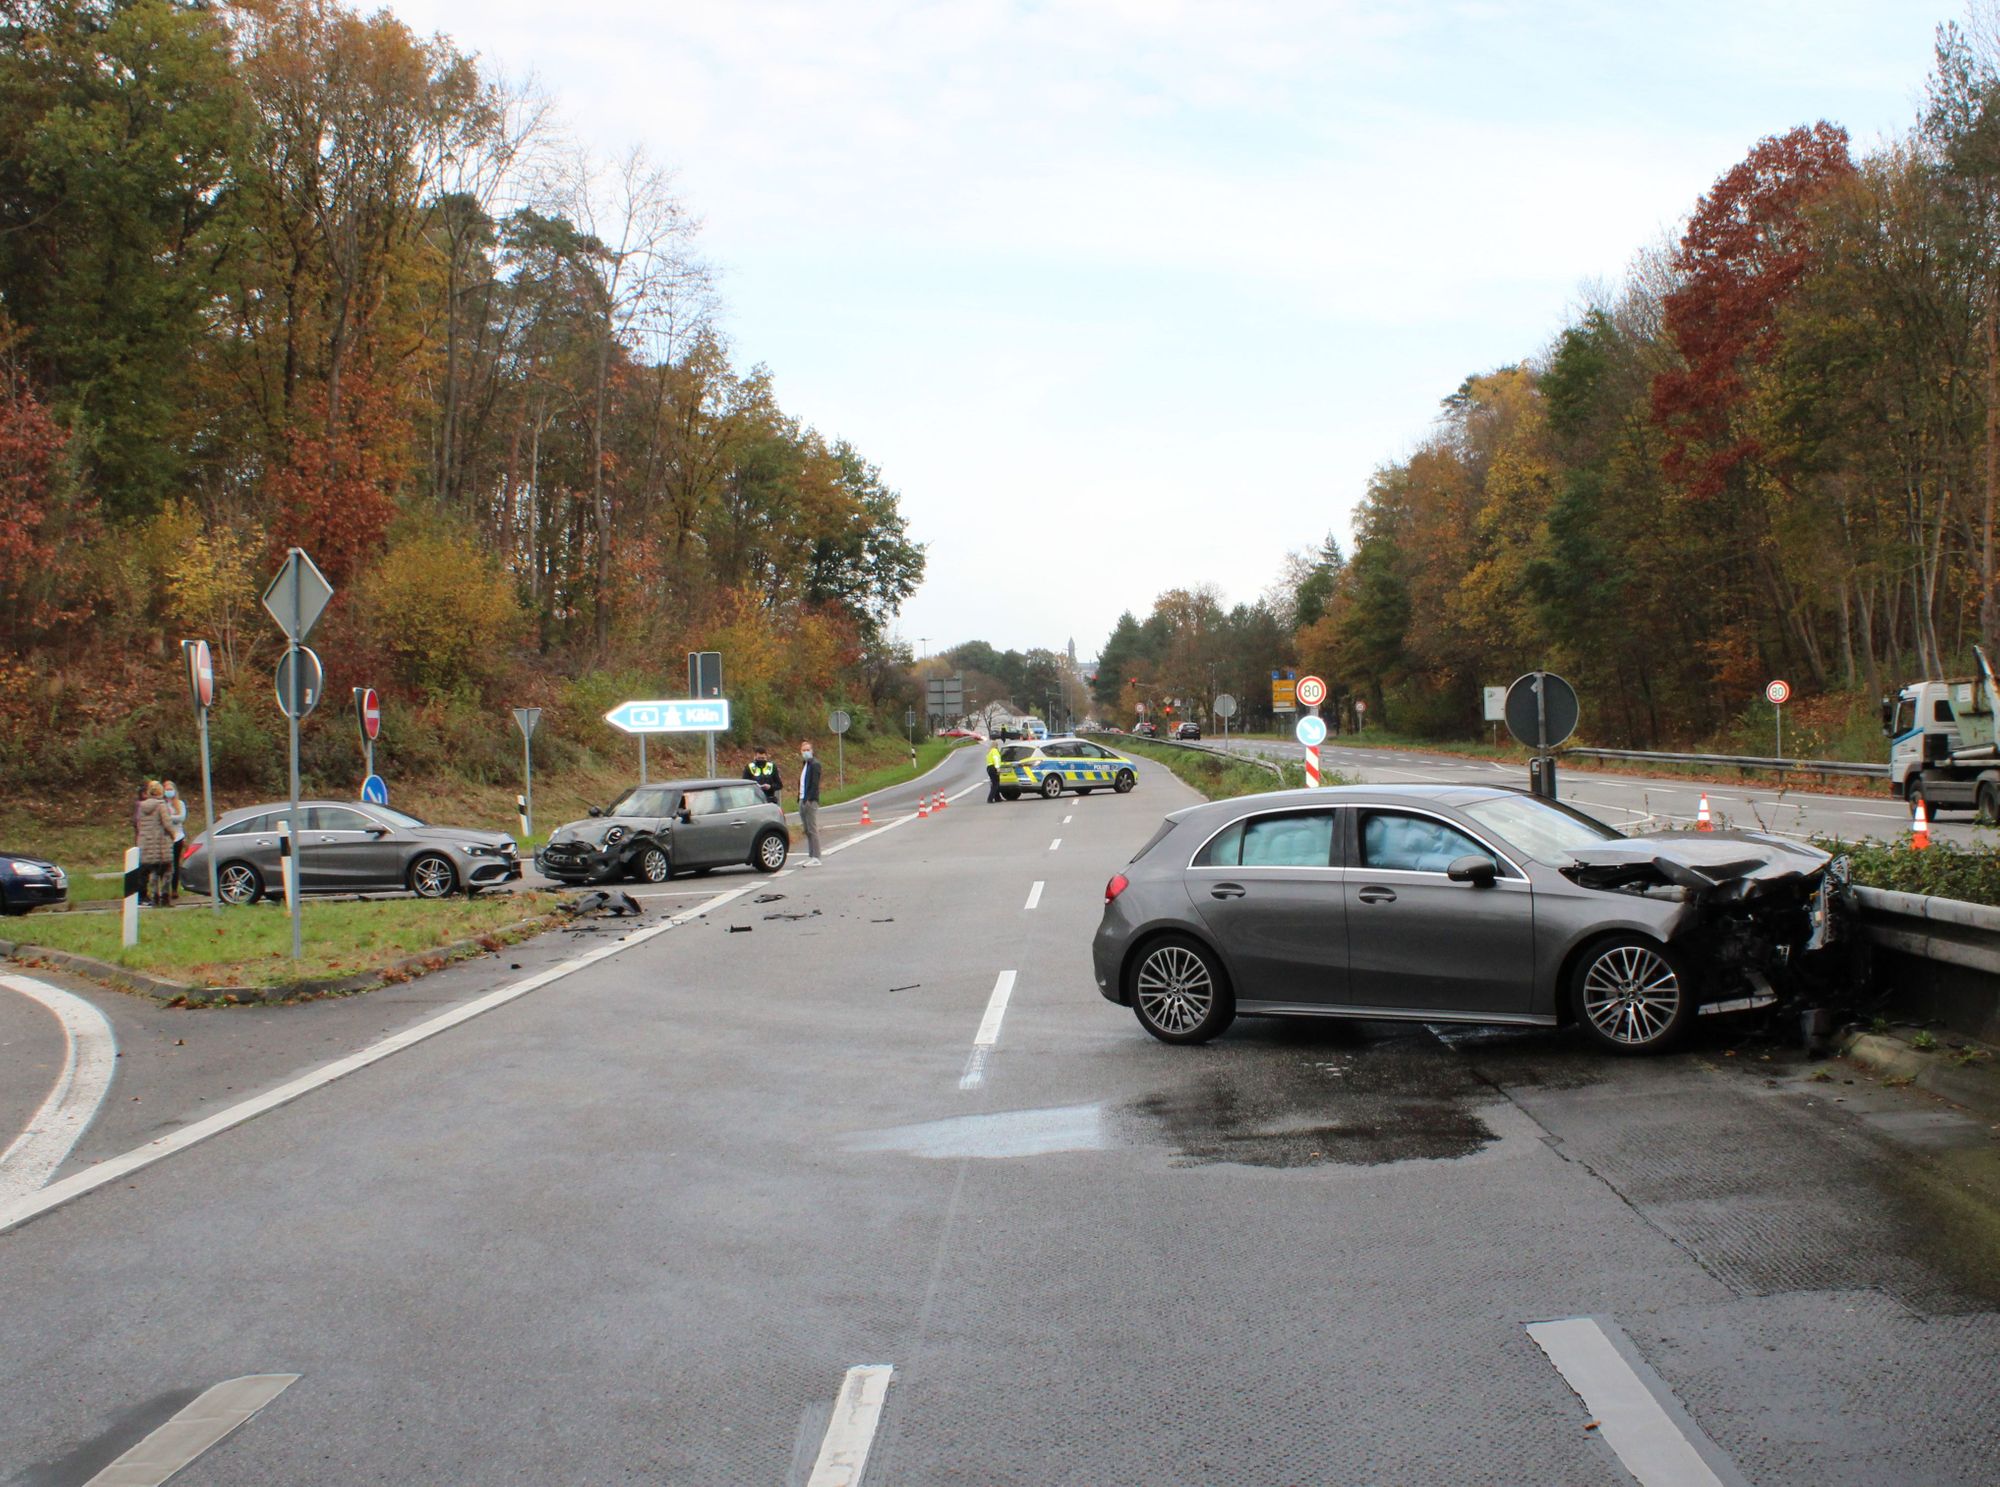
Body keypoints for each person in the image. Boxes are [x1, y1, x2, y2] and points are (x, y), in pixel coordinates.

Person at [135, 780, 175, 907]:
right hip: (160, 842)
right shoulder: (161, 805)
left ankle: (154, 897)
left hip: (146, 842)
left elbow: (138, 824)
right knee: (167, 871)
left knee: (153, 871)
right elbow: (167, 823)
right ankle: (164, 897)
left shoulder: (141, 806)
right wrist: (173, 834)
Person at [797, 740, 823, 865]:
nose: (806, 752)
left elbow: (814, 784)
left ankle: (816, 856)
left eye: (808, 750)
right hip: (802, 799)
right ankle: (811, 854)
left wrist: (809, 799)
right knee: (806, 829)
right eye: (804, 750)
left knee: (812, 828)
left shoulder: (815, 764)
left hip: (809, 800)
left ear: (812, 751)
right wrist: (800, 799)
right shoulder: (805, 764)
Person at [163, 780, 188, 906]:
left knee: (176, 864)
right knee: (167, 864)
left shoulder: (180, 804)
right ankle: (165, 889)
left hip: (178, 837)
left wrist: (168, 818)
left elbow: (181, 818)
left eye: (170, 789)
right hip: (166, 838)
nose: (168, 792)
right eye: (166, 789)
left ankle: (174, 889)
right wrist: (172, 818)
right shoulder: (162, 804)